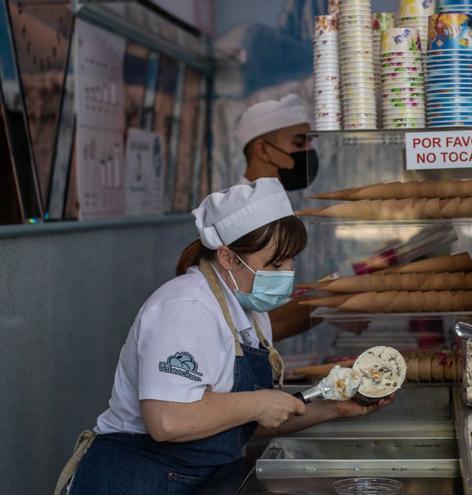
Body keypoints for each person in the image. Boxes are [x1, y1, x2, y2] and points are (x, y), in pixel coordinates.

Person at [55, 179, 391, 495]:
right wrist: (260, 401)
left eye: (290, 262)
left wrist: (336, 409)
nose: (287, 275)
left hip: (202, 477)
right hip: (135, 478)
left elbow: (249, 419)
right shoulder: (185, 307)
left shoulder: (249, 312)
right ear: (228, 257)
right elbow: (167, 419)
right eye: (274, 265)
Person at [231, 94, 320, 340]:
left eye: (311, 143)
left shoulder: (275, 206)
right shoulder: (240, 216)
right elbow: (269, 323)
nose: (309, 152)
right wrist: (334, 302)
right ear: (263, 149)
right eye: (299, 143)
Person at [234, 93, 318, 189]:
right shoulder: (239, 203)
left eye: (310, 141)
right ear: (263, 150)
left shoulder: (275, 198)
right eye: (299, 143)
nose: (310, 149)